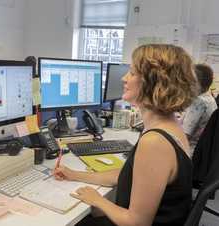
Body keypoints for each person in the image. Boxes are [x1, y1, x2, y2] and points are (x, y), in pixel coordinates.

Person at [54, 44, 197, 226]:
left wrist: (99, 200)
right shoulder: (169, 125)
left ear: (152, 82)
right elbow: (129, 175)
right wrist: (75, 174)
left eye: (132, 72)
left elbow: (137, 223)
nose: (124, 78)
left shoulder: (155, 142)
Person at [181, 63, 217, 157]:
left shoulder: (198, 102)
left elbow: (184, 135)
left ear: (196, 83)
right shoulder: (209, 98)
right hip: (202, 151)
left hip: (189, 153)